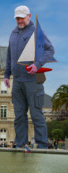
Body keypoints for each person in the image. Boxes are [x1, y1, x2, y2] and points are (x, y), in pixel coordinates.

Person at [4, 5, 55, 149]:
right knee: (19, 115)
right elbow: (9, 56)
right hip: (17, 81)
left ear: (29, 16)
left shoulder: (36, 31)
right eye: (17, 18)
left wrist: (37, 65)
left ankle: (41, 145)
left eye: (22, 17)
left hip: (33, 80)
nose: (20, 21)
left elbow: (50, 50)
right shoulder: (13, 33)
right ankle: (20, 144)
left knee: (36, 113)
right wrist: (7, 74)